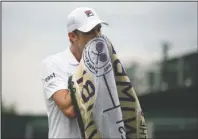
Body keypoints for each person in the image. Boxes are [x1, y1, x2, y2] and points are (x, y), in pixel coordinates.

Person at [41, 7, 108, 138]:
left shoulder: (104, 65)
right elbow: (69, 110)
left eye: (98, 29)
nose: (97, 36)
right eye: (90, 31)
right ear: (72, 36)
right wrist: (94, 70)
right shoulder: (53, 63)